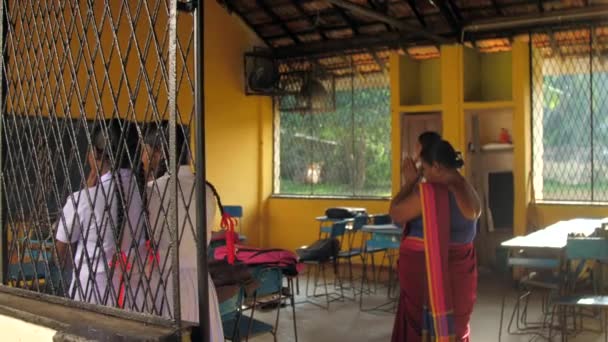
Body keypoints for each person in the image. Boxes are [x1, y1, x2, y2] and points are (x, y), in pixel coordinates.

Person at [390, 139, 481, 342]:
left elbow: (395, 213)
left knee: (424, 330)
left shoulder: (430, 194)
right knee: (454, 331)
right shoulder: (468, 189)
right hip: (462, 278)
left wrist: (410, 182)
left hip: (430, 278)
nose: (424, 175)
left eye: (425, 169)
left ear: (437, 167)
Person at [143, 122, 223, 341]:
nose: (143, 158)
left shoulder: (154, 190)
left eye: (146, 151)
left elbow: (150, 236)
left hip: (168, 286)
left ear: (158, 152)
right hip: (201, 286)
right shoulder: (206, 189)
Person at [55, 119, 145, 307]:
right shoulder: (146, 192)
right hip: (135, 294)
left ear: (95, 153)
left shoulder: (83, 199)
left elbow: (59, 256)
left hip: (91, 292)